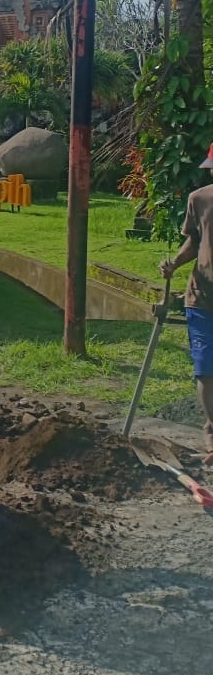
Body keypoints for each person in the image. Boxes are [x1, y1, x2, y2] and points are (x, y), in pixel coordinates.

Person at [159, 141, 213, 465]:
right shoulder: (200, 199)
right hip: (202, 299)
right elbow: (195, 241)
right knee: (205, 370)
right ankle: (212, 436)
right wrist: (174, 264)